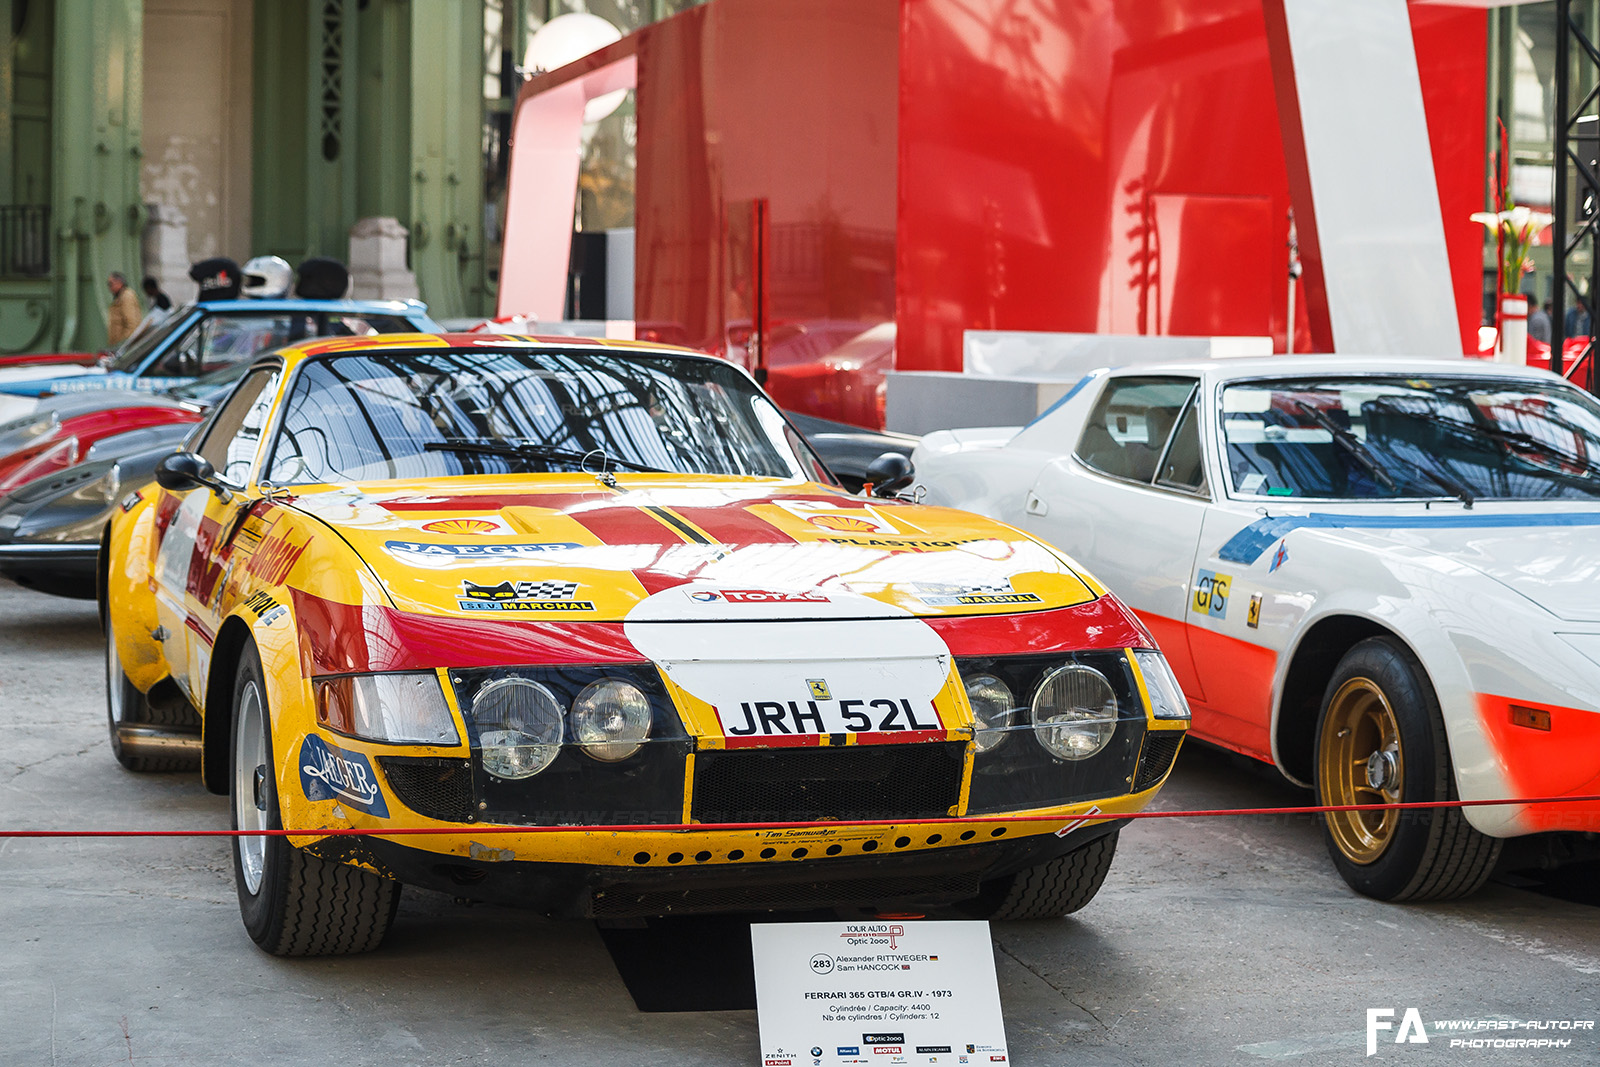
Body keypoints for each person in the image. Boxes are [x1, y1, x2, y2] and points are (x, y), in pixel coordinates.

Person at [105, 272, 143, 348]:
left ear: (119, 283)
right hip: (119, 344)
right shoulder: (120, 297)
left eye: (111, 284)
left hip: (124, 345)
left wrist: (125, 344)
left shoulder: (127, 297)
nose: (110, 288)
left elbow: (131, 323)